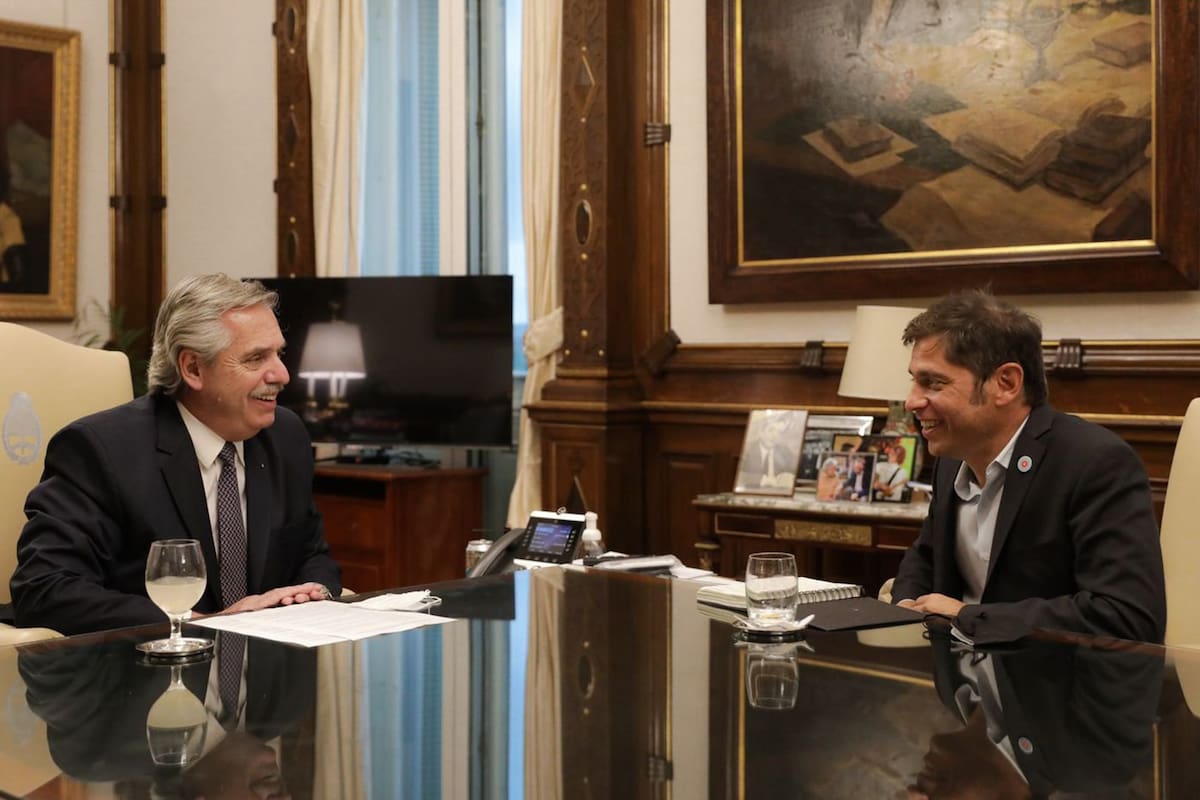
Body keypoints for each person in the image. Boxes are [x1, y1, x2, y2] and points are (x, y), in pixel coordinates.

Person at [9, 273, 341, 634]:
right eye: (256, 358)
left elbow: (312, 554)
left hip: (265, 676)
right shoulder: (100, 450)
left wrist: (310, 594)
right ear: (193, 368)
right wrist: (202, 624)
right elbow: (45, 589)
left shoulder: (284, 435)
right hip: (141, 675)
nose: (282, 374)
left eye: (278, 353)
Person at [890, 290, 1166, 645]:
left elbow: (1127, 616)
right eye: (914, 379)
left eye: (933, 383)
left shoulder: (1094, 462)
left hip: (1062, 689)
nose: (912, 400)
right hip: (960, 685)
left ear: (1005, 384)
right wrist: (904, 607)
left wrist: (966, 615)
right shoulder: (950, 459)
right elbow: (926, 556)